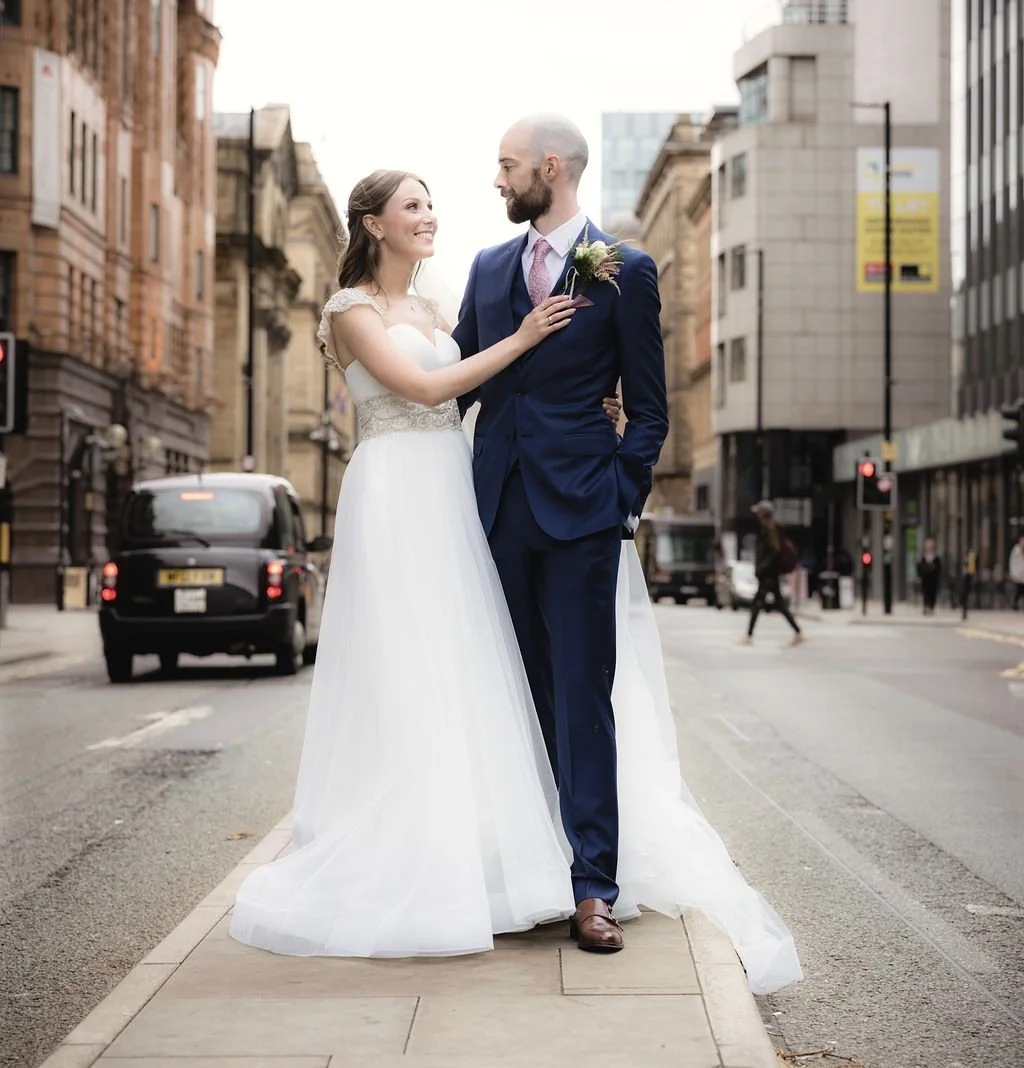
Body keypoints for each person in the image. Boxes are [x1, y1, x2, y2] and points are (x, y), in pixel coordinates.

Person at [230, 150, 802, 995]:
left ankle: (536, 869)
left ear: (550, 166)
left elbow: (506, 392)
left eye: (436, 201)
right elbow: (430, 390)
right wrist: (524, 337)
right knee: (415, 677)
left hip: (461, 495)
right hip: (399, 497)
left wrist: (596, 433)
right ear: (373, 223)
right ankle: (414, 859)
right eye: (415, 204)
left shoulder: (435, 301)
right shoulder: (352, 307)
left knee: (479, 681)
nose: (435, 212)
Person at [451, 114, 668, 952]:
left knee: (582, 696)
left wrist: (621, 492)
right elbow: (463, 379)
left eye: (507, 166)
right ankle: (523, 868)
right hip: (496, 508)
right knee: (509, 691)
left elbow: (648, 407)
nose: (497, 181)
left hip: (582, 513)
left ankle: (591, 887)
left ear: (551, 167)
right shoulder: (489, 265)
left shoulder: (627, 270)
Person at [741, 499, 804, 645]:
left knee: (757, 604)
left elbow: (775, 550)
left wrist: (763, 567)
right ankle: (798, 632)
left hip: (768, 574)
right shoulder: (769, 528)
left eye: (758, 512)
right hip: (770, 574)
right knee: (779, 605)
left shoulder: (770, 529)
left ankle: (749, 636)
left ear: (763, 514)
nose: (756, 515)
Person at [916, 538, 941, 615]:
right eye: (928, 546)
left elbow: (939, 568)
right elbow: (919, 567)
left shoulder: (936, 558)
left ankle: (931, 607)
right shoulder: (923, 557)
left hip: (934, 579)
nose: (929, 547)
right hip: (925, 579)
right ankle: (926, 607)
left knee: (933, 593)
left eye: (931, 546)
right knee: (925, 592)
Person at [1009, 536, 1024, 610]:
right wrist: (1013, 574)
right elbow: (1012, 563)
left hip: (1023, 575)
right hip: (1017, 575)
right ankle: (1015, 606)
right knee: (1017, 592)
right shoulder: (1016, 551)